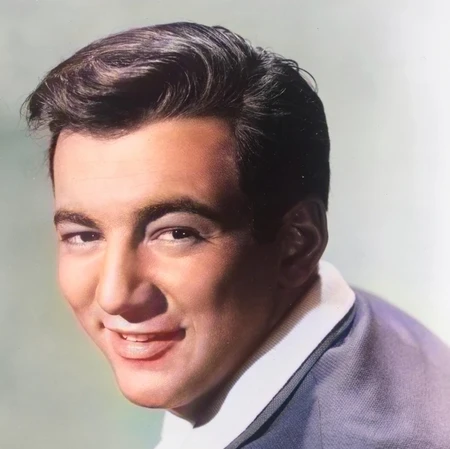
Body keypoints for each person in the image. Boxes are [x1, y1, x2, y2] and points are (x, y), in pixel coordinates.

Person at [23, 22, 450, 449]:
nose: (115, 295)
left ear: (297, 244)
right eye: (84, 236)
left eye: (176, 233)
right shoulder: (362, 335)